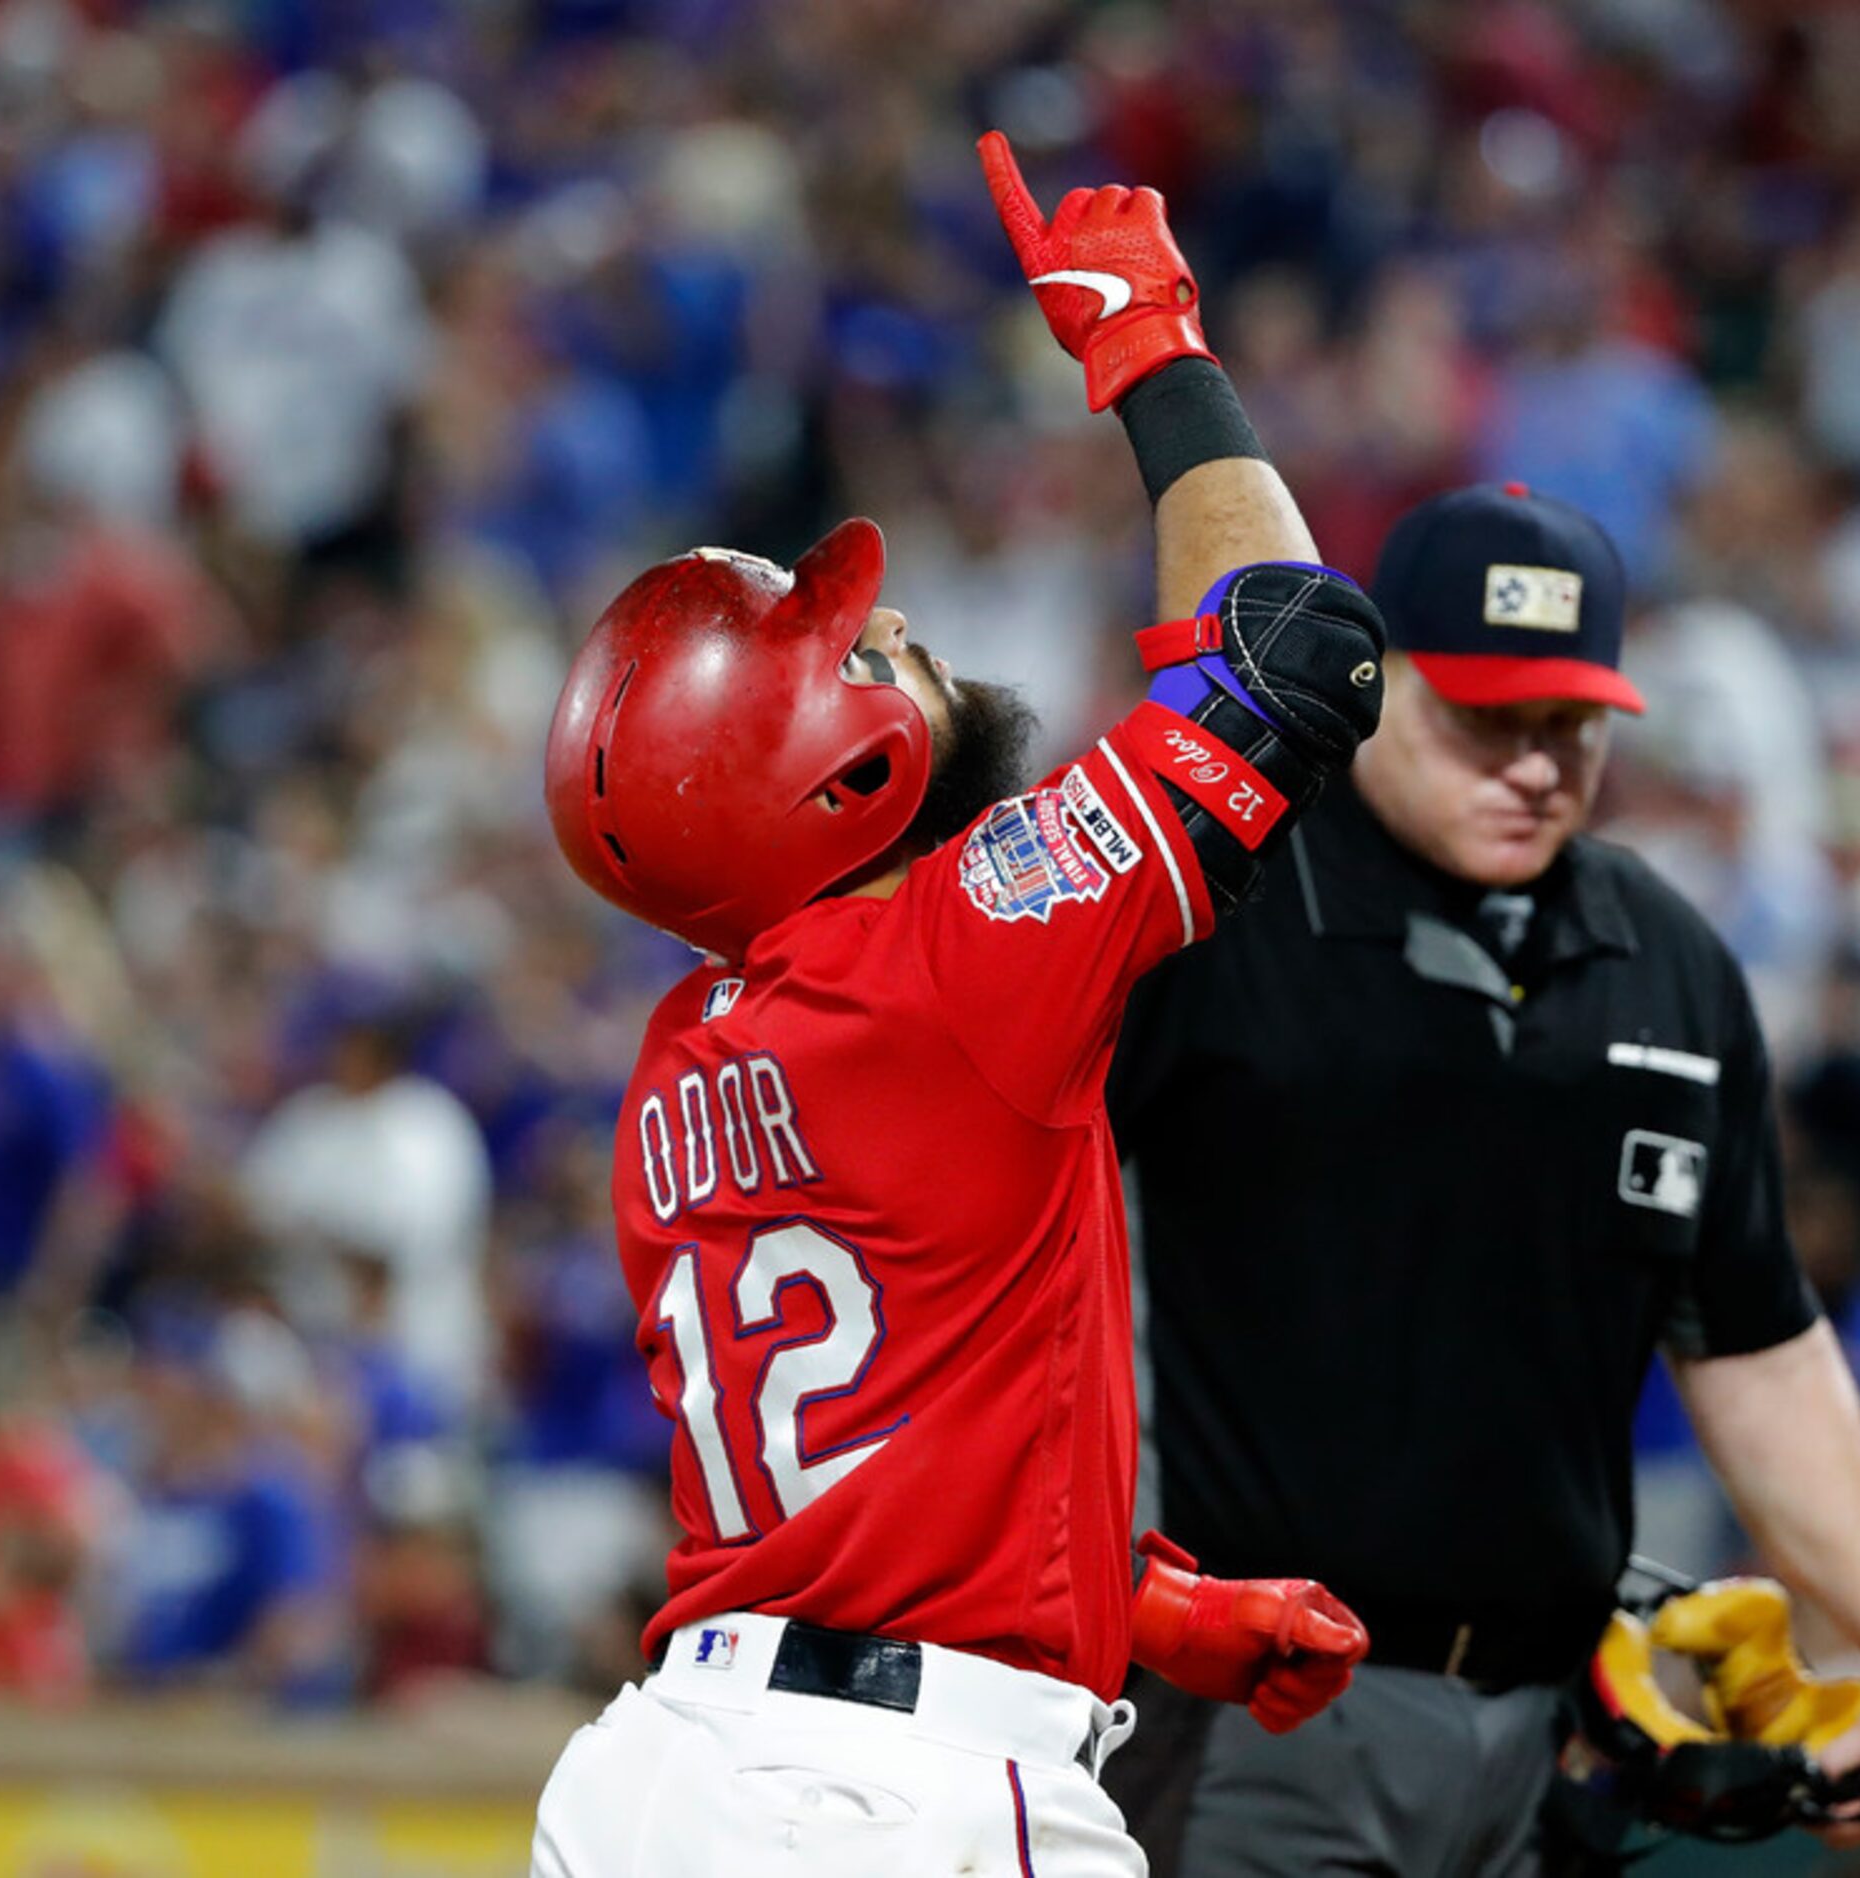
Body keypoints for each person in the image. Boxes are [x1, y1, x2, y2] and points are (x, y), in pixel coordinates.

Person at [528, 134, 1384, 1878]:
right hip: (895, 1800)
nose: (897, 623)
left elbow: (864, 1461)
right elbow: (1303, 647)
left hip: (659, 1777)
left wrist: (1132, 1599)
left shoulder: (675, 1068)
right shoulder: (949, 952)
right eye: (851, 655)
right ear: (820, 772)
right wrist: (1150, 349)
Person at [1104, 483, 1860, 1874]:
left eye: (1567, 725)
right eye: (1485, 717)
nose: (1533, 764)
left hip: (1546, 1741)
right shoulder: (1220, 904)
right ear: (1377, 684)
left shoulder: (1667, 960)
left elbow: (1755, 1339)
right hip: (1245, 1711)